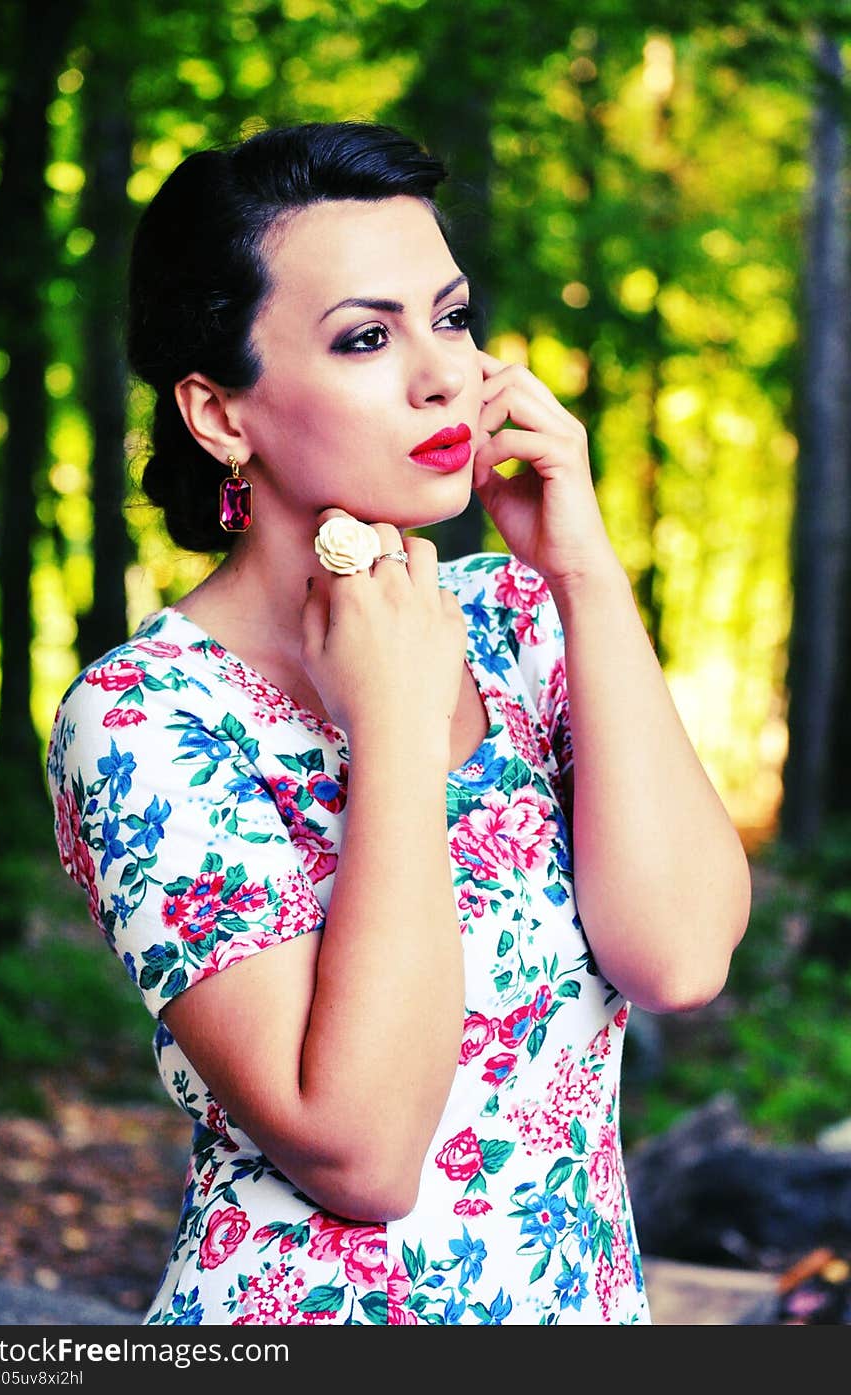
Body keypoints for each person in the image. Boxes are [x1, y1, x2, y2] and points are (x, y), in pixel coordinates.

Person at [46, 119, 751, 1327]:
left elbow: (678, 957)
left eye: (452, 316)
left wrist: (581, 571)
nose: (442, 375)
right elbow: (362, 1153)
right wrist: (390, 735)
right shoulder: (144, 718)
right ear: (220, 414)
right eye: (366, 337)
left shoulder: (519, 617)